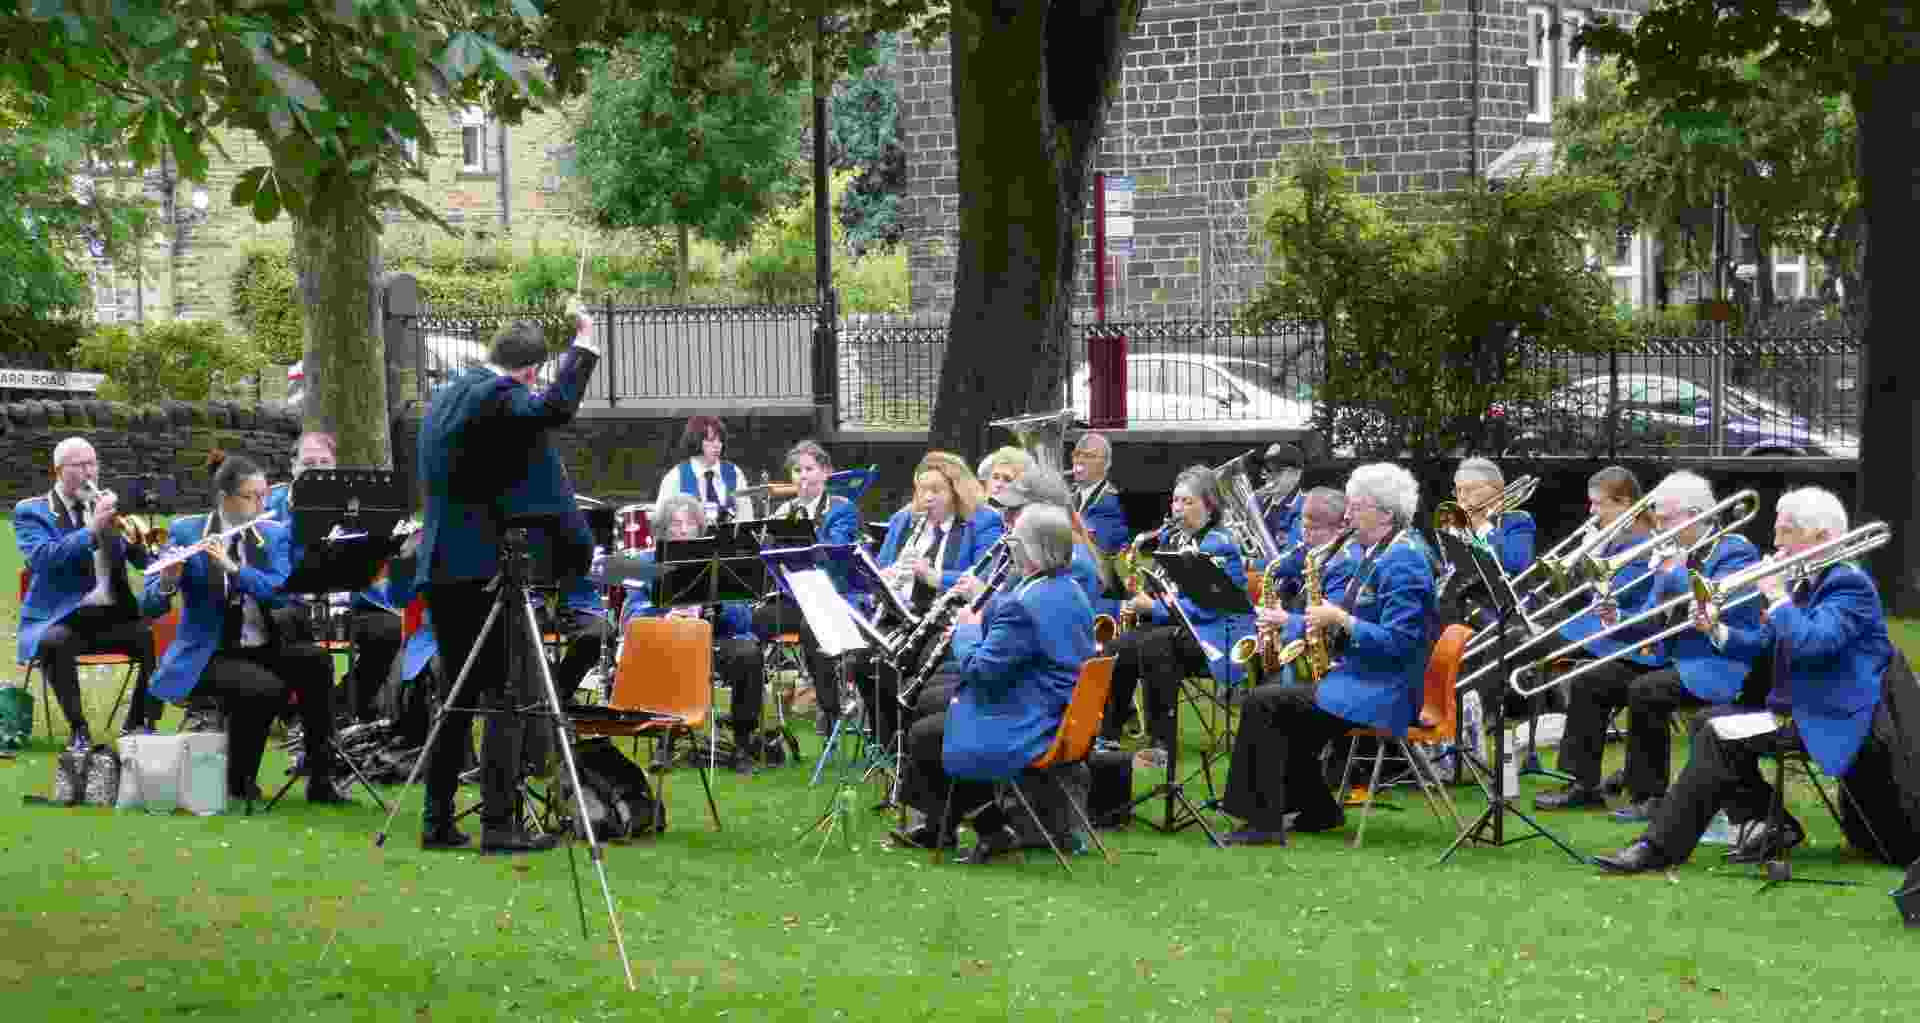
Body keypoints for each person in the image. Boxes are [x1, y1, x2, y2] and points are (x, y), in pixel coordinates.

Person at [1595, 487, 1911, 873]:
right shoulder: (1807, 581)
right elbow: (1765, 647)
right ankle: (1770, 823)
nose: (1775, 543)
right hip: (1794, 707)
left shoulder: (1849, 585)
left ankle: (1657, 849)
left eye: (1786, 532)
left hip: (1830, 717)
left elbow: (1814, 644)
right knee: (1706, 723)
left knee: (1716, 734)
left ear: (1823, 538)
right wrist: (1718, 631)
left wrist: (1777, 599)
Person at [414, 302, 599, 854]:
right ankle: (499, 823)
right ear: (528, 371)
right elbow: (554, 410)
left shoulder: (448, 395)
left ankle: (437, 818)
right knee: (503, 693)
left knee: (456, 694)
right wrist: (583, 345)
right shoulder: (498, 395)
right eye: (535, 376)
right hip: (481, 570)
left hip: (441, 563)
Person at [1218, 462, 1437, 846]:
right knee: (1281, 705)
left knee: (1264, 703)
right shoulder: (1375, 553)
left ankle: (1262, 822)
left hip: (1388, 690)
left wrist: (1341, 619)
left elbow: (1401, 642)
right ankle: (1317, 809)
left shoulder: (1404, 559)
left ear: (1385, 513)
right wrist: (1320, 629)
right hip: (1363, 677)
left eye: (1357, 506)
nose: (1347, 515)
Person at [1546, 472, 1762, 822]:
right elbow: (1651, 617)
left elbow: (1722, 606)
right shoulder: (1673, 551)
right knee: (1590, 680)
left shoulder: (1734, 550)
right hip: (1670, 654)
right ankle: (1580, 784)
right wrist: (1617, 616)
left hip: (1716, 661)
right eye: (1658, 518)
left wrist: (1673, 572)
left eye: (1664, 519)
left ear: (1693, 515)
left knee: (1647, 691)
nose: (1658, 527)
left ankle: (1649, 796)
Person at [892, 504, 1094, 859]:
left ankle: (990, 828)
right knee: (930, 703)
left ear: (1033, 550)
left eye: (1016, 541)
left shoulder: (1028, 603)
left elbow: (981, 671)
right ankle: (944, 825)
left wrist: (967, 630)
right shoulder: (1068, 588)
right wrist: (988, 612)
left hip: (1033, 720)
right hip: (1058, 707)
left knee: (926, 734)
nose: (1011, 548)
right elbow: (1020, 642)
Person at [143, 453, 346, 803]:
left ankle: (320, 777)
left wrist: (234, 569)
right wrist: (167, 582)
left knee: (317, 663)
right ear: (225, 499)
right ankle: (239, 782)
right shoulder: (187, 531)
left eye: (264, 495)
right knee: (262, 687)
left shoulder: (272, 534)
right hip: (210, 651)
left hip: (264, 643)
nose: (262, 503)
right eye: (252, 496)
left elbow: (281, 592)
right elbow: (149, 606)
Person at [1101, 465, 1252, 767]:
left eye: (1188, 502)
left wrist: (1152, 608)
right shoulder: (1175, 540)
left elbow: (1205, 607)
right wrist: (1141, 596)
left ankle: (1161, 744)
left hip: (1219, 637)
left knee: (1155, 644)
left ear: (1209, 506)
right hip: (1183, 631)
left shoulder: (1218, 545)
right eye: (1175, 501)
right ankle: (1109, 733)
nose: (1178, 508)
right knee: (1121, 646)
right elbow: (1169, 598)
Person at [14, 437, 160, 746]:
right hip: (63, 617)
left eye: (93, 463)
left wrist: (162, 555)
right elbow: (44, 559)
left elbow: (145, 559)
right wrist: (92, 529)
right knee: (55, 642)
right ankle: (78, 729)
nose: (89, 472)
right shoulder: (33, 512)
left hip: (111, 615)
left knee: (152, 636)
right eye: (80, 465)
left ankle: (137, 724)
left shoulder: (109, 510)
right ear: (58, 471)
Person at [620, 495, 766, 773]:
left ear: (700, 527)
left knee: (749, 654)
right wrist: (664, 616)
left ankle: (743, 743)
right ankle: (665, 743)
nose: (684, 529)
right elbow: (631, 615)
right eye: (676, 524)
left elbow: (744, 619)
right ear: (663, 528)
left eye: (689, 523)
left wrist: (714, 608)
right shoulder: (645, 561)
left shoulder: (717, 560)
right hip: (668, 638)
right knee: (667, 651)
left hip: (713, 638)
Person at [870, 453, 999, 747]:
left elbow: (986, 578)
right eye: (922, 490)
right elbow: (878, 567)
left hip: (949, 619)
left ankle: (914, 742)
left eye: (936, 490)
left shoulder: (981, 521)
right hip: (902, 614)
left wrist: (934, 577)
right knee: (864, 660)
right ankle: (887, 741)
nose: (927, 498)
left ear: (956, 490)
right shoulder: (904, 519)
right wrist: (889, 575)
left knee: (918, 663)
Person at [753, 440, 860, 732]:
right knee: (757, 621)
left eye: (810, 469)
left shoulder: (841, 508)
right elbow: (767, 559)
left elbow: (836, 551)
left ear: (825, 472)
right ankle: (754, 717)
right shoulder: (784, 511)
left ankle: (830, 709)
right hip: (793, 595)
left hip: (830, 595)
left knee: (811, 627)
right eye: (797, 470)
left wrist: (805, 539)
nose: (803, 476)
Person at [1248, 487, 1357, 687]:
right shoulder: (1311, 550)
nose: (1305, 537)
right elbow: (1280, 566)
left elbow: (1331, 627)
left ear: (1342, 527)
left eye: (1314, 530)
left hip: (1328, 663)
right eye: (1303, 528)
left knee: (1265, 700)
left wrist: (1284, 620)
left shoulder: (1345, 564)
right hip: (1298, 648)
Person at [655, 415, 753, 522]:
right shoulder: (675, 477)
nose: (717, 445)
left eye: (720, 440)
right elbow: (661, 523)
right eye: (710, 440)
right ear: (695, 440)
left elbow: (746, 518)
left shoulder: (735, 472)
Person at [1452, 457, 1534, 577]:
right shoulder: (1458, 526)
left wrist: (1482, 525)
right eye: (1458, 490)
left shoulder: (1519, 520)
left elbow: (1516, 564)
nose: (1461, 497)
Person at [1070, 431, 1129, 556]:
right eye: (1077, 455)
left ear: (1106, 464)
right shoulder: (1071, 495)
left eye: (1089, 456)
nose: (1079, 461)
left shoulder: (1112, 503)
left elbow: (1098, 549)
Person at [1257, 442, 1308, 550]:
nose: (1268, 475)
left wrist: (1250, 564)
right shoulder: (1260, 504)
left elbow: (1291, 557)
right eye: (1266, 469)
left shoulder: (1304, 508)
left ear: (1296, 474)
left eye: (1277, 470)